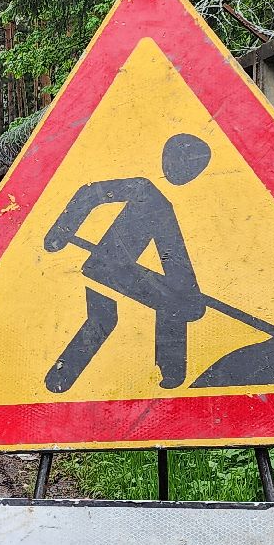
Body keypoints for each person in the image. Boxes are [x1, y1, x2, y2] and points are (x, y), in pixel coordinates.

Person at [43, 133, 214, 392]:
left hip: (120, 270)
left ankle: (171, 373)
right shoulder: (145, 189)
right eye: (183, 162)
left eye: (192, 165)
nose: (185, 170)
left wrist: (189, 293)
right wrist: (59, 232)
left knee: (106, 319)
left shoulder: (162, 203)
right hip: (108, 266)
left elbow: (173, 255)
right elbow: (90, 194)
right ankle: (60, 379)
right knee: (106, 319)